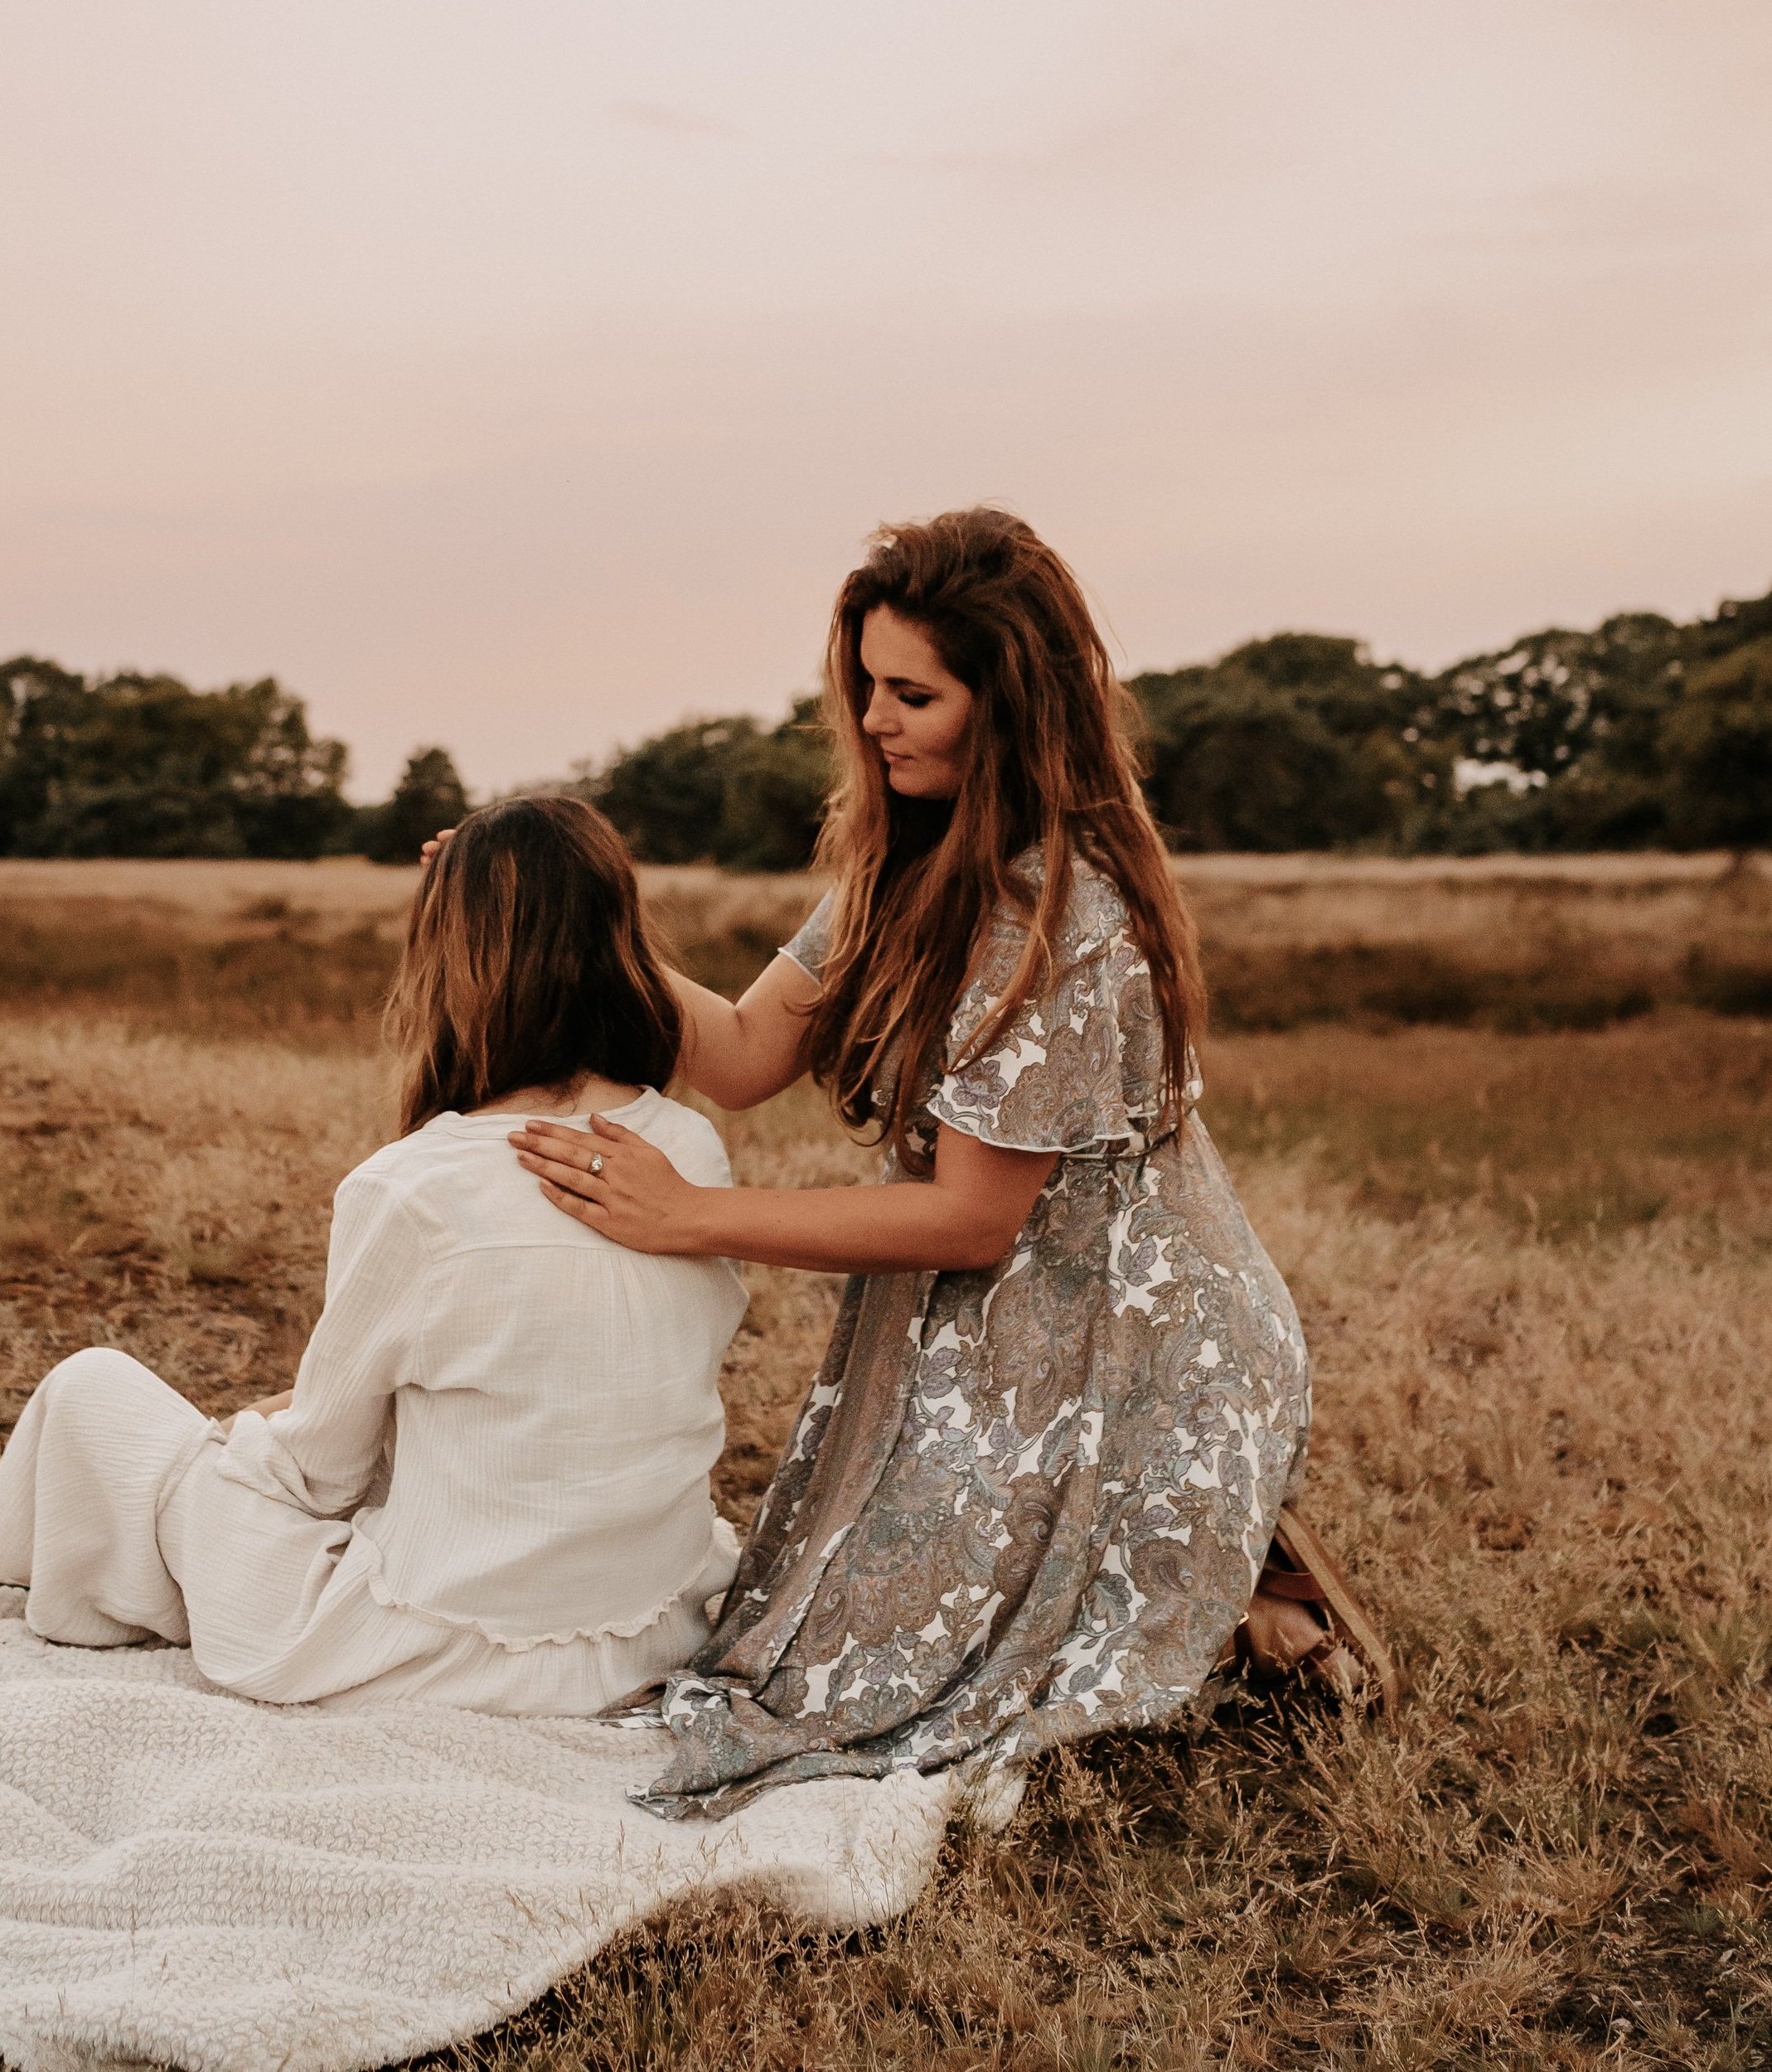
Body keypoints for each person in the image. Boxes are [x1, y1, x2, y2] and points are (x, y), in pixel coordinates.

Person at [507, 507, 1391, 1817]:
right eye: (865, 685)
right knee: (805, 1635)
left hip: (1129, 1347)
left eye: (912, 692)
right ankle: (1218, 1579)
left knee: (874, 1680)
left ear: (1011, 706)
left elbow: (975, 1220)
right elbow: (746, 1052)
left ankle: (1223, 1574)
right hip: (990, 1321)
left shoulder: (1064, 910)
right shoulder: (906, 862)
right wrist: (572, 923)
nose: (873, 719)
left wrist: (693, 1216)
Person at [0, 796, 748, 1716]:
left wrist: (235, 1438)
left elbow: (318, 1472)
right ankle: (35, 1553)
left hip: (438, 1652)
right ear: (621, 936)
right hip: (644, 1630)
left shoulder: (414, 1186)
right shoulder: (688, 1152)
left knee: (96, 1393)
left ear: (450, 957)